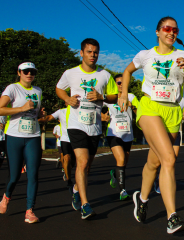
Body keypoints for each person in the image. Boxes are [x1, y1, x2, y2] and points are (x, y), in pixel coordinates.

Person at [119, 16, 184, 234]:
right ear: (158, 32)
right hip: (150, 107)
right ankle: (172, 217)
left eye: (175, 30)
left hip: (172, 111)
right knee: (169, 158)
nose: (171, 32)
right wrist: (123, 94)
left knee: (154, 163)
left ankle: (142, 199)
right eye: (167, 28)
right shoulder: (145, 55)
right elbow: (127, 72)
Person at [56, 38, 118, 219]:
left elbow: (114, 96)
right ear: (81, 53)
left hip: (94, 125)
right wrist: (67, 99)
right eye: (89, 52)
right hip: (75, 124)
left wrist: (102, 96)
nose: (93, 55)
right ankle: (85, 205)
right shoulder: (70, 73)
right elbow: (59, 89)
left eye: (96, 52)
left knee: (87, 165)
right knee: (82, 162)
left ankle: (76, 189)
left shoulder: (105, 75)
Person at [0, 61, 45, 223]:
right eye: (25, 71)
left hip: (33, 136)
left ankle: (30, 211)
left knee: (33, 174)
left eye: (32, 71)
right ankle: (7, 196)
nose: (29, 74)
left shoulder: (38, 91)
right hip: (14, 136)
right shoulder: (12, 88)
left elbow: (35, 113)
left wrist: (40, 114)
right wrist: (21, 109)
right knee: (14, 176)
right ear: (19, 72)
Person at [104, 74, 139, 200]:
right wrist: (103, 117)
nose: (121, 85)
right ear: (114, 85)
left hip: (128, 134)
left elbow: (140, 111)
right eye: (118, 83)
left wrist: (132, 106)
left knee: (123, 163)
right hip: (114, 133)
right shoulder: (109, 99)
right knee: (121, 159)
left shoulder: (131, 97)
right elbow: (99, 112)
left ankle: (114, 174)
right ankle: (122, 191)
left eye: (123, 82)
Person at [153, 97, 184, 194]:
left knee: (173, 158)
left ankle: (160, 178)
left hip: (175, 131)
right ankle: (158, 179)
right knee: (159, 159)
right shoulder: (163, 95)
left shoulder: (183, 100)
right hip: (162, 131)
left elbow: (182, 114)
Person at [40, 104, 75, 187]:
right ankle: (69, 180)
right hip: (64, 139)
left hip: (75, 139)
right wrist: (36, 119)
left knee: (73, 162)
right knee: (66, 158)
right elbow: (48, 117)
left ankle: (67, 171)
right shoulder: (61, 111)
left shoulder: (78, 111)